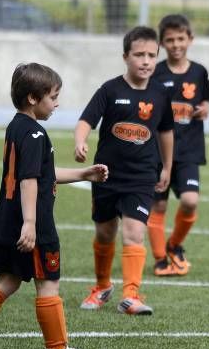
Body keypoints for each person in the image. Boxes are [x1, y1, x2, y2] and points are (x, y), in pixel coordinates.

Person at [0, 63, 108, 349]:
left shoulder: (17, 126)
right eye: (53, 96)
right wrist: (30, 223)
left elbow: (42, 174)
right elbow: (29, 180)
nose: (57, 103)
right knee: (48, 280)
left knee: (9, 279)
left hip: (6, 217)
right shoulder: (34, 133)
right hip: (32, 223)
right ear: (33, 97)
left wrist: (84, 173)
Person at [75, 26, 175, 314]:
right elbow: (86, 121)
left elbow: (166, 132)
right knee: (105, 232)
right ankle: (102, 285)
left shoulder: (160, 94)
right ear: (125, 57)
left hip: (142, 176)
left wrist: (167, 167)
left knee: (133, 232)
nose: (146, 61)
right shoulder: (110, 89)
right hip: (105, 175)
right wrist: (80, 141)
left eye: (151, 55)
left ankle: (132, 294)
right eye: (139, 55)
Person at [147, 14, 209, 276]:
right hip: (158, 152)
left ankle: (174, 245)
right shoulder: (156, 72)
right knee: (159, 206)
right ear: (162, 43)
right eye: (170, 40)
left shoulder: (199, 72)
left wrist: (205, 108)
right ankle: (160, 259)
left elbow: (207, 98)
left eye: (181, 39)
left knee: (189, 200)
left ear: (190, 39)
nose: (176, 44)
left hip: (188, 150)